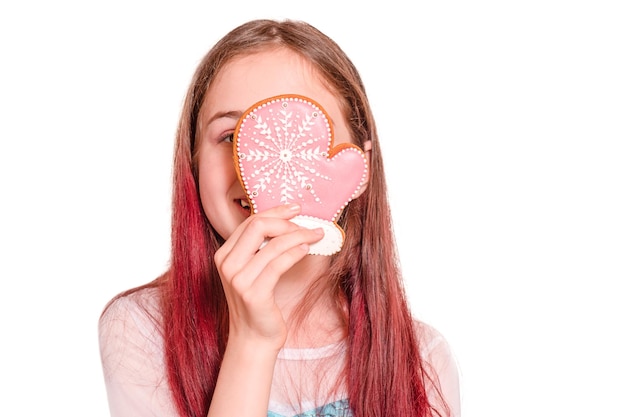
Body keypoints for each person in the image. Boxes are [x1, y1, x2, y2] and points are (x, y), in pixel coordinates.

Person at [98, 18, 461, 417]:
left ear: (358, 169)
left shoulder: (421, 359)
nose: (264, 170)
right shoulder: (142, 329)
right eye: (232, 137)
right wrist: (251, 342)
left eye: (302, 133)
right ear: (194, 162)